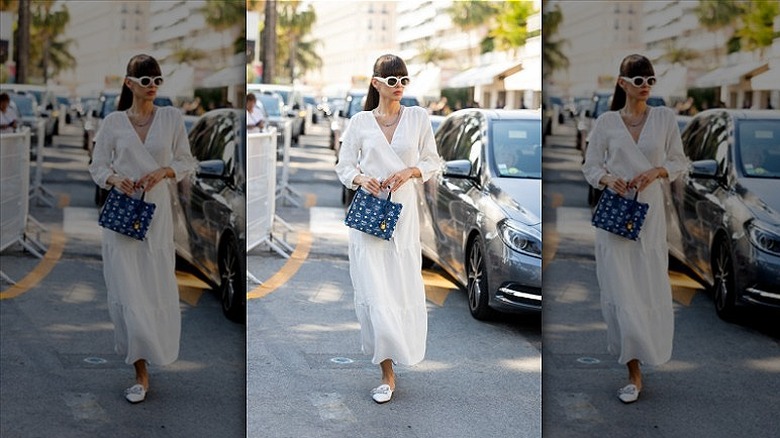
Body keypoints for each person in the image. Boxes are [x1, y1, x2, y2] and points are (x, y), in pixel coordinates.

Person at [89, 54, 197, 404]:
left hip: (157, 217)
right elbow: (98, 165)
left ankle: (151, 353)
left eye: (157, 81)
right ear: (129, 83)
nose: (152, 87)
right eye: (145, 81)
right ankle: (140, 372)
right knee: (128, 291)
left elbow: (185, 160)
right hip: (122, 219)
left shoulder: (171, 118)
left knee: (153, 288)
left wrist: (164, 171)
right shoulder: (113, 123)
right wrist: (113, 178)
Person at [335, 54, 442, 404]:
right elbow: (344, 165)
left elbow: (431, 161)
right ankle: (386, 372)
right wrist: (360, 178)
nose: (398, 87)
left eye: (404, 80)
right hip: (369, 219)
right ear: (376, 83)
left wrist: (410, 171)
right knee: (376, 293)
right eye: (391, 80)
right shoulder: (360, 122)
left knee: (399, 290)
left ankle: (397, 355)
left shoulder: (418, 118)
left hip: (404, 217)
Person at [581, 54, 689, 404]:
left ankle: (646, 354)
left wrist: (657, 171)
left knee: (647, 289)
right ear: (622, 83)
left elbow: (679, 161)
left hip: (651, 218)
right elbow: (591, 165)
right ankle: (633, 372)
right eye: (638, 80)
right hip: (615, 219)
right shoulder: (607, 122)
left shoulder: (664, 119)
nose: (645, 87)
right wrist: (606, 178)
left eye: (650, 80)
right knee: (621, 293)